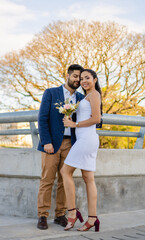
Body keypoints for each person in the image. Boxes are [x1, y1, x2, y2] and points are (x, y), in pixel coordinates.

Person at [37, 64, 84, 230]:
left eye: (80, 77)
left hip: (71, 144)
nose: (78, 80)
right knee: (47, 180)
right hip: (51, 143)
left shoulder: (80, 98)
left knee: (65, 180)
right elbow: (42, 119)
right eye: (75, 76)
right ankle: (42, 215)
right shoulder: (51, 93)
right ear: (68, 75)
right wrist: (46, 141)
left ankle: (60, 214)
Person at [61, 69, 102, 232]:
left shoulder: (94, 95)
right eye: (82, 78)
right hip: (87, 139)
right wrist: (70, 117)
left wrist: (75, 125)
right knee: (88, 177)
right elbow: (87, 116)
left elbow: (97, 119)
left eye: (87, 78)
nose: (84, 81)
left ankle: (72, 213)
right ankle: (92, 218)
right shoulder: (85, 96)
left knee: (65, 172)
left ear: (95, 79)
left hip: (86, 139)